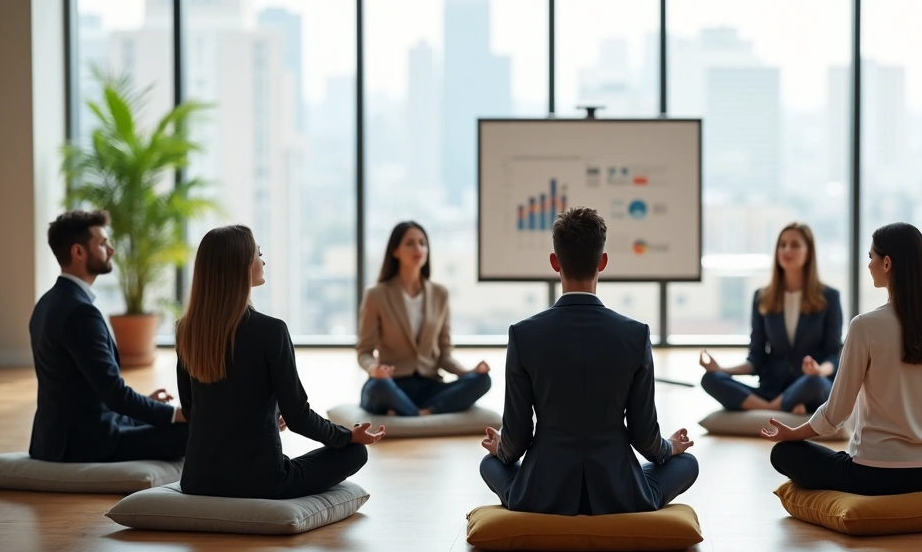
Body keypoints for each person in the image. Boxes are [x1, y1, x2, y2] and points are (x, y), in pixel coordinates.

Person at [479, 207, 699, 515]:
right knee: (687, 463)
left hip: (542, 494)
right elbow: (643, 437)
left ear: (555, 262)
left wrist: (502, 449)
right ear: (603, 262)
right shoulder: (635, 335)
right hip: (619, 492)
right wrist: (670, 448)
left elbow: (518, 437)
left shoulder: (523, 335)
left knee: (490, 464)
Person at [176, 225, 382, 499]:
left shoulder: (185, 329)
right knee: (356, 453)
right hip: (262, 482)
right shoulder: (271, 331)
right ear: (241, 266)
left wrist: (269, 417)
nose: (262, 261)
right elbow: (298, 417)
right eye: (258, 254)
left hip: (197, 480)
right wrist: (346, 436)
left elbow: (192, 410)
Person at [762, 223, 922, 495]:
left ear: (886, 263)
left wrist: (795, 433)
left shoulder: (865, 326)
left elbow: (837, 412)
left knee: (784, 453)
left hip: (876, 474)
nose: (868, 265)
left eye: (870, 257)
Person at [28, 210, 188, 463]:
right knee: (196, 431)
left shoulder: (47, 303)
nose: (111, 249)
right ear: (78, 252)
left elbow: (86, 391)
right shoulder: (80, 312)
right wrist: (173, 413)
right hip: (85, 443)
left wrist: (145, 406)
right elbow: (115, 395)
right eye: (102, 243)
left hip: (52, 439)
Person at [700, 223, 842, 415]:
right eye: (782, 245)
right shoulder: (762, 297)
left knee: (815, 383)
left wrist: (819, 371)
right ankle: (778, 407)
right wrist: (722, 369)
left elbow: (834, 355)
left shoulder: (829, 297)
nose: (786, 250)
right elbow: (756, 357)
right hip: (771, 389)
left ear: (809, 254)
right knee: (710, 378)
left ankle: (778, 405)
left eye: (795, 245)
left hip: (810, 384)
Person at [356, 222, 491, 416]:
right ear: (395, 251)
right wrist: (373, 369)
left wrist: (465, 371)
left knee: (483, 380)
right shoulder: (376, 295)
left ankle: (412, 412)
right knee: (375, 388)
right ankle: (426, 412)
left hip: (430, 385)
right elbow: (364, 352)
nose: (418, 248)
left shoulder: (440, 294)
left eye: (422, 243)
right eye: (410, 243)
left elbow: (444, 353)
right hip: (392, 384)